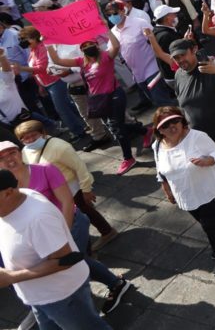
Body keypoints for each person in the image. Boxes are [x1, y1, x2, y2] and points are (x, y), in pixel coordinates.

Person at [0, 141, 131, 317]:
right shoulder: (3, 185)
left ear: (20, 152)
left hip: (70, 223)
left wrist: (64, 233)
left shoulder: (45, 169)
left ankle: (114, 285)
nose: (9, 159)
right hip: (41, 233)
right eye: (2, 157)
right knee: (64, 261)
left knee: (72, 259)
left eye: (12, 153)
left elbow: (67, 202)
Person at [0, 169, 112, 330]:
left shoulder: (38, 219)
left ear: (8, 193)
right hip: (39, 297)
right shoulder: (17, 198)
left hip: (62, 297)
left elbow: (65, 260)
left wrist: (11, 277)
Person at [150, 107, 215, 278]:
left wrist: (209, 160)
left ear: (182, 121)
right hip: (185, 195)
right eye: (165, 125)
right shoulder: (157, 147)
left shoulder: (197, 137)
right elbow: (160, 171)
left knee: (210, 226)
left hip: (208, 190)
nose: (172, 127)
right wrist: (167, 190)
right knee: (212, 223)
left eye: (175, 121)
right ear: (159, 129)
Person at [47, 28, 148, 175]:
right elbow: (57, 60)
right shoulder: (81, 62)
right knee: (116, 125)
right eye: (85, 47)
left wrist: (107, 29)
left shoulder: (106, 56)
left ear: (97, 46)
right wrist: (49, 44)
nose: (88, 48)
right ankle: (146, 131)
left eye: (91, 45)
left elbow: (116, 46)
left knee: (116, 127)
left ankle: (128, 158)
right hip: (99, 100)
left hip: (115, 95)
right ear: (82, 51)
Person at [14, 120, 118, 252]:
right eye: (24, 138)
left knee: (84, 211)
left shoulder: (60, 147)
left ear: (43, 133)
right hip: (50, 191)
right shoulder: (25, 151)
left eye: (33, 135)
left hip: (71, 188)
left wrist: (86, 189)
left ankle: (106, 233)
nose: (29, 140)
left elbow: (79, 167)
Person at [165, 39, 215, 220]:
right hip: (208, 142)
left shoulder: (210, 65)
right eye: (176, 58)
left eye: (183, 55)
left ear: (194, 50)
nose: (180, 60)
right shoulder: (179, 76)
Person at [13, 27, 89, 145]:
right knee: (69, 106)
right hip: (47, 84)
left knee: (62, 109)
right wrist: (40, 86)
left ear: (34, 38)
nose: (23, 41)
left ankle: (79, 132)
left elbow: (41, 68)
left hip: (56, 82)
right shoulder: (32, 51)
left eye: (25, 38)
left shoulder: (42, 48)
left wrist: (21, 68)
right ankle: (88, 123)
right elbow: (36, 72)